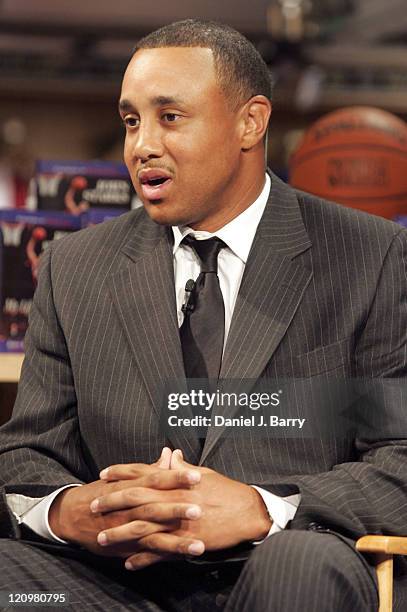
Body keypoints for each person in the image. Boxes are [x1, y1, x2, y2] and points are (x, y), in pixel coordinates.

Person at [0, 19, 406, 611]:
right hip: (116, 581)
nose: (142, 146)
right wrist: (71, 512)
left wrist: (260, 507)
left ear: (251, 122)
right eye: (131, 121)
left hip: (279, 561)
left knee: (303, 565)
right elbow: (27, 453)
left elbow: (399, 458)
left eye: (170, 117)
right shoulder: (74, 267)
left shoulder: (369, 255)